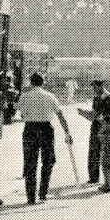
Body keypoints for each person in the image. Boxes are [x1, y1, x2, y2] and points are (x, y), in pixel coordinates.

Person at [15, 73, 73, 205]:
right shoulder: (50, 96)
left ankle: (30, 197)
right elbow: (60, 115)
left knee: (30, 162)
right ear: (43, 82)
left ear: (31, 82)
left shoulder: (25, 96)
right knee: (48, 161)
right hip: (46, 129)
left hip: (30, 129)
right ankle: (43, 192)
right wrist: (67, 133)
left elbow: (20, 113)